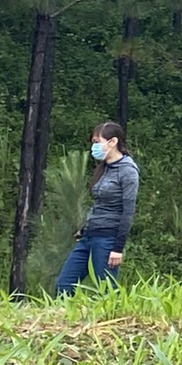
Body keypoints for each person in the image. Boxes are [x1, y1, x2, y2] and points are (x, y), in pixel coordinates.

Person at [56, 122, 139, 295]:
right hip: (89, 237)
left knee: (106, 291)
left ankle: (115, 320)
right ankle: (66, 320)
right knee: (64, 285)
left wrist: (117, 248)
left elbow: (128, 212)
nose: (94, 146)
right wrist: (85, 228)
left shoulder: (128, 171)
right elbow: (99, 203)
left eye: (97, 141)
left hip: (108, 239)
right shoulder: (104, 168)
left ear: (113, 142)